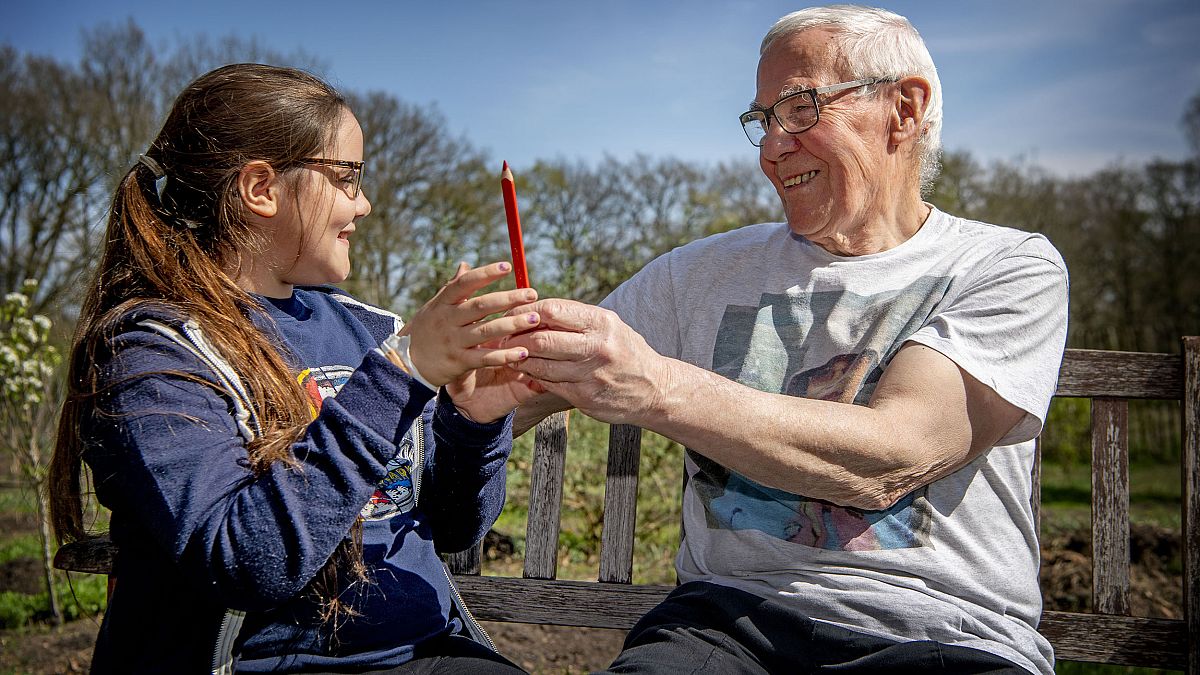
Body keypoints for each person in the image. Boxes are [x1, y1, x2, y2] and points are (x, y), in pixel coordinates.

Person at [506, 6, 1068, 674]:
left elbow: (897, 454)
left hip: (941, 637)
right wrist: (422, 404)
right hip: (725, 625)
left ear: (906, 107)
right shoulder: (699, 272)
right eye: (762, 119)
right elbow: (523, 381)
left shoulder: (1007, 267)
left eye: (800, 108)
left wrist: (658, 386)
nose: (772, 146)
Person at [48, 63, 540, 674]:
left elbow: (451, 525)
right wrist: (398, 375)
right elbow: (247, 560)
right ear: (261, 188)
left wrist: (473, 424)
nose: (364, 203)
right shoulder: (150, 352)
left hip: (424, 654)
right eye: (346, 178)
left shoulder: (369, 329)